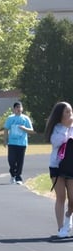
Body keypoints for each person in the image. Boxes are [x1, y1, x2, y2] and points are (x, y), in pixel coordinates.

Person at [44, 101, 73, 238]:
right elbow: (56, 142)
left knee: (72, 200)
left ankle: (68, 216)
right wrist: (65, 128)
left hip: (71, 167)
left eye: (71, 111)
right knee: (60, 197)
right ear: (60, 114)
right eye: (67, 112)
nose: (70, 114)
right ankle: (61, 228)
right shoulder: (56, 128)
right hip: (57, 166)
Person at [4, 102, 34, 185]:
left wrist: (24, 128)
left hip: (22, 143)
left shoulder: (25, 118)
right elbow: (6, 129)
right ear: (14, 109)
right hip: (12, 143)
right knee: (11, 160)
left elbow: (32, 131)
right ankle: (12, 174)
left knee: (20, 161)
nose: (18, 109)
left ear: (22, 108)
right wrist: (5, 140)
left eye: (20, 107)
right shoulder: (10, 118)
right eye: (17, 107)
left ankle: (18, 177)